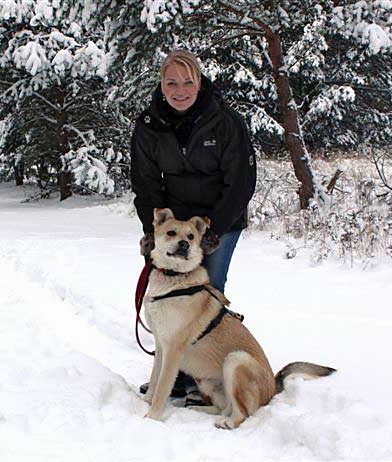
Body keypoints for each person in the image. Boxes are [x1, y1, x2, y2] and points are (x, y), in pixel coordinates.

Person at [130, 49, 257, 399]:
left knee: (205, 291)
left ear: (199, 83)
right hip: (172, 227)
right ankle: (173, 374)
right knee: (166, 296)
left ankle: (198, 372)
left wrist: (212, 231)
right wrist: (152, 232)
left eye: (188, 82)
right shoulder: (149, 124)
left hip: (219, 220)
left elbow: (241, 182)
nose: (180, 90)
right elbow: (145, 182)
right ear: (161, 84)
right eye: (172, 82)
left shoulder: (226, 122)